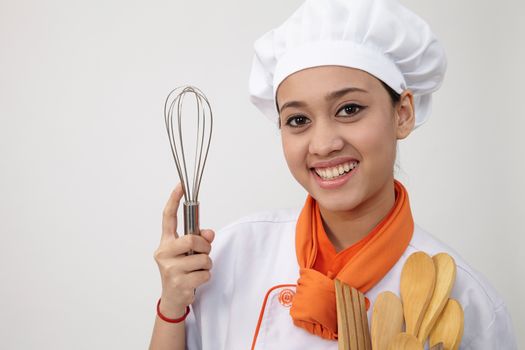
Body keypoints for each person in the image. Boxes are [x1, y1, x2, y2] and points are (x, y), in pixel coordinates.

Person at [149, 0, 517, 349]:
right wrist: (172, 306)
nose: (322, 144)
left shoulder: (463, 299)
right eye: (298, 120)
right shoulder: (228, 257)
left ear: (403, 113)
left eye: (349, 109)